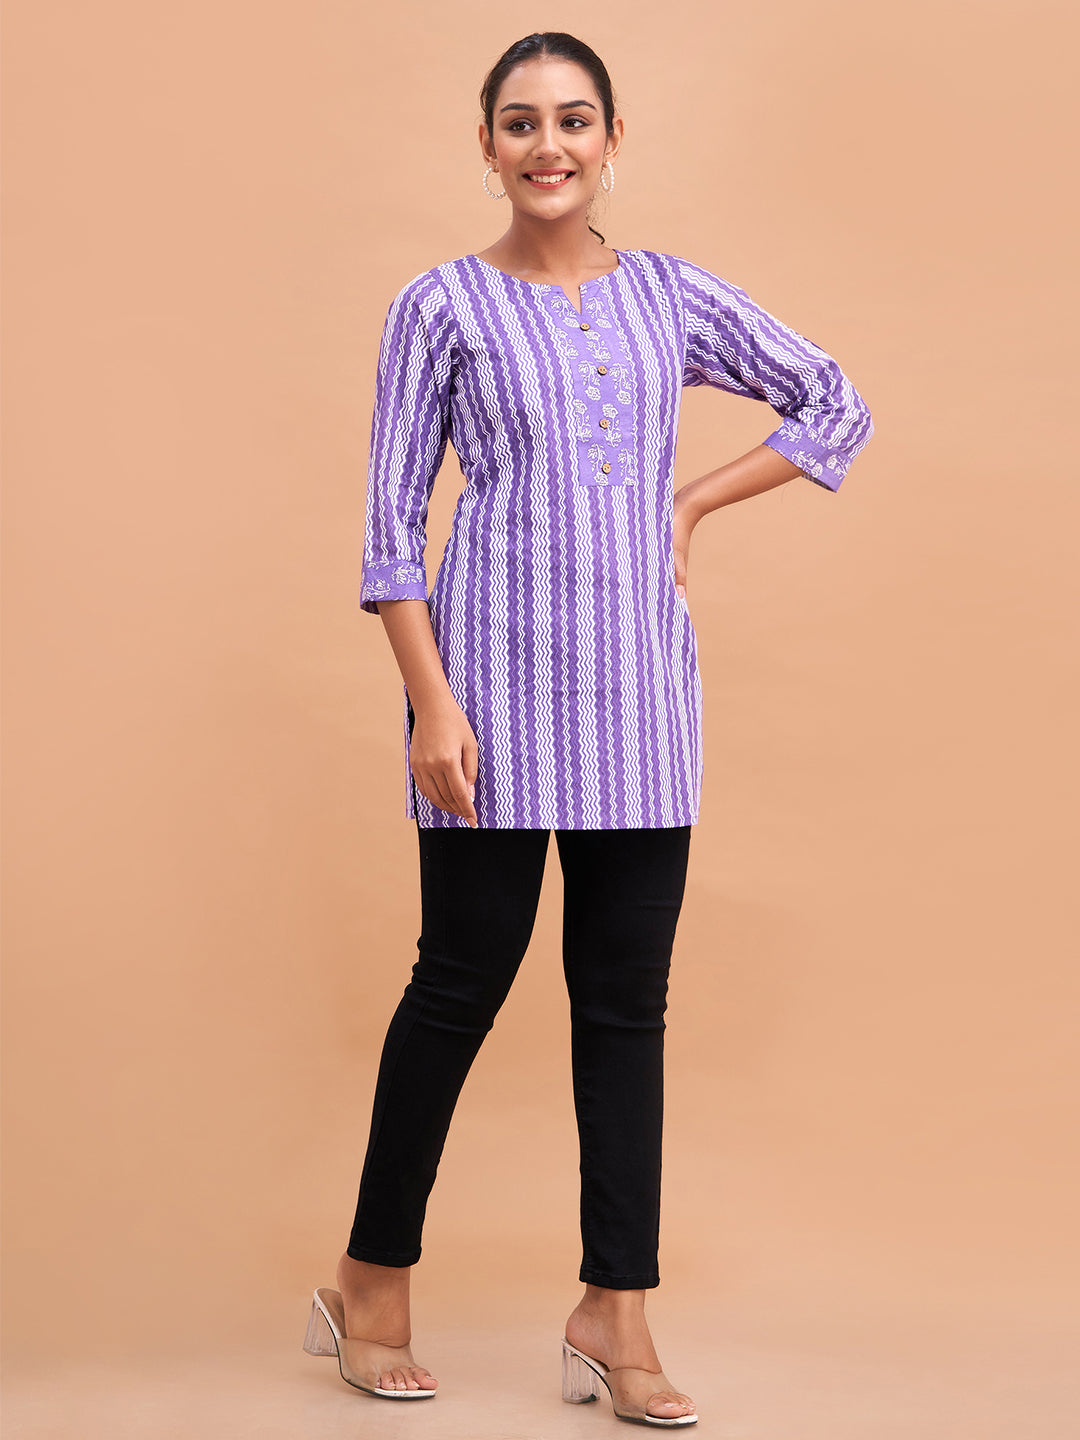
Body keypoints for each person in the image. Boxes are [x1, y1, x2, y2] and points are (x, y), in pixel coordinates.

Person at [302, 30, 874, 1427]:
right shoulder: (439, 305)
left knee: (626, 1009)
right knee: (458, 985)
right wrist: (431, 702)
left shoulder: (670, 297)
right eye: (520, 122)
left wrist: (691, 502)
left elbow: (835, 401)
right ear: (486, 147)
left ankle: (615, 1311)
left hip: (640, 703)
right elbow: (389, 527)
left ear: (613, 140)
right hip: (487, 697)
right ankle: (371, 1277)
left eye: (572, 120)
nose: (547, 145)